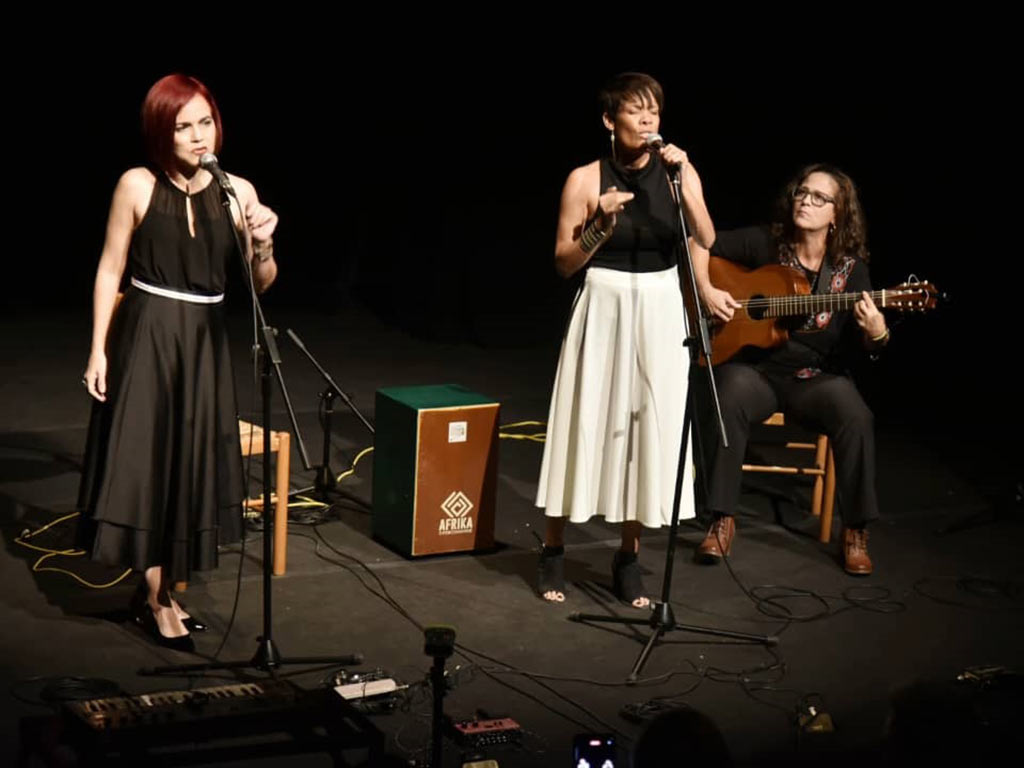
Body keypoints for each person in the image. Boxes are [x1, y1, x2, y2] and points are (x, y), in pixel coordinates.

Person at [77, 74, 278, 651]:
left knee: (190, 461)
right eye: (182, 126)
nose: (197, 136)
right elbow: (110, 269)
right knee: (149, 460)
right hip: (148, 335)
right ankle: (158, 597)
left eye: (204, 122)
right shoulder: (136, 184)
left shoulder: (236, 190)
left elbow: (260, 284)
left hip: (205, 340)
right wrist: (97, 348)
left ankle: (162, 588)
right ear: (160, 132)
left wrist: (265, 244)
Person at [535, 72, 715, 607]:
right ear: (609, 121)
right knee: (584, 418)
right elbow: (564, 263)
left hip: (660, 305)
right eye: (635, 111)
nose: (647, 119)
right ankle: (553, 546)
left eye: (653, 110)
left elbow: (706, 236)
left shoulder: (678, 172)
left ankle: (629, 556)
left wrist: (683, 180)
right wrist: (600, 225)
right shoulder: (585, 179)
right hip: (604, 301)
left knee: (646, 428)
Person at [691, 164, 887, 575]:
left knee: (856, 414)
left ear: (837, 213)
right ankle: (721, 518)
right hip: (757, 372)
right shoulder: (765, 242)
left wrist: (878, 333)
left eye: (819, 197)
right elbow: (699, 241)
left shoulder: (851, 270)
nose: (805, 201)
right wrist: (707, 291)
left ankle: (855, 530)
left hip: (813, 378)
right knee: (728, 392)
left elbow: (865, 344)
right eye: (802, 192)